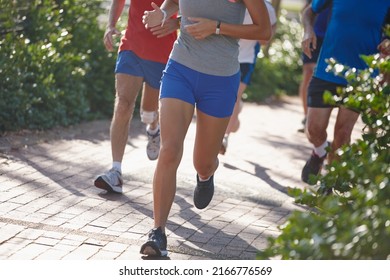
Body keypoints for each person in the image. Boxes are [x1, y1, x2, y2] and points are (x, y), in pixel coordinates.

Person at [140, 0, 272, 257]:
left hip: (221, 79)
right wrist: (163, 14)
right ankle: (158, 232)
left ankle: (206, 173)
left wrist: (219, 27)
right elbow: (174, 4)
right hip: (181, 68)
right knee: (169, 150)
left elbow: (264, 31)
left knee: (202, 161)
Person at [300, 0, 390, 185]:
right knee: (313, 129)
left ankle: (330, 183)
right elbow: (309, 12)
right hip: (327, 69)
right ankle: (319, 151)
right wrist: (308, 30)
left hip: (361, 77)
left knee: (342, 133)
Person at [93, 0, 178, 194]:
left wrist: (177, 23)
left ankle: (153, 128)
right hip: (131, 46)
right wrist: (110, 25)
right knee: (123, 104)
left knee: (148, 112)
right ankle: (116, 171)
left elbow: (193, 7)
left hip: (162, 50)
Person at [219, 0, 277, 155]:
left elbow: (265, 39)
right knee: (224, 96)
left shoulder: (265, 7)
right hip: (222, 54)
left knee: (234, 96)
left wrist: (252, 28)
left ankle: (225, 136)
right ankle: (234, 121)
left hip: (244, 58)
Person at [297, 0, 330, 133]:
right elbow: (306, 10)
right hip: (315, 35)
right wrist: (308, 29)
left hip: (334, 39)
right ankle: (306, 116)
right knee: (309, 73)